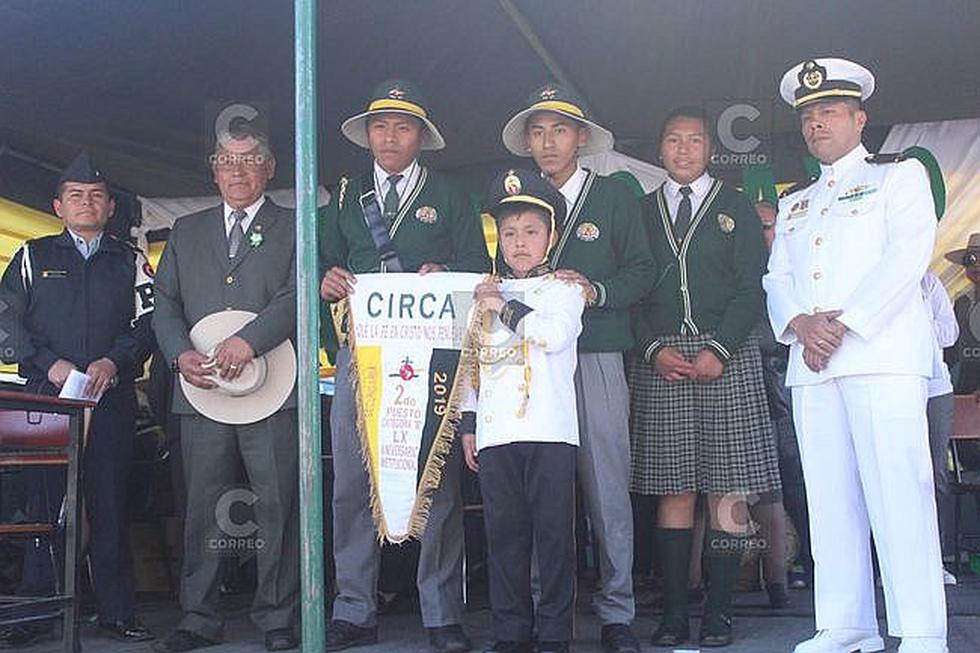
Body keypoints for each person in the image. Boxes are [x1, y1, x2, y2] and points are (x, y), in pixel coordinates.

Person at [764, 58, 947, 653]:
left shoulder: (900, 178)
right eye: (809, 116)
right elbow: (777, 275)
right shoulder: (795, 203)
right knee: (829, 497)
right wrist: (798, 321)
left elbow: (907, 257)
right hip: (813, 365)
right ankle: (847, 624)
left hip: (880, 354)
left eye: (830, 112)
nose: (817, 124)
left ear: (859, 118)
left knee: (899, 493)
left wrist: (844, 326)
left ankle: (920, 630)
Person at [318, 79, 489, 653]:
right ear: (367, 135)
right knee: (351, 481)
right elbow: (319, 260)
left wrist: (445, 270)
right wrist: (328, 278)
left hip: (430, 354)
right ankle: (354, 608)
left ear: (422, 137)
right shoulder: (344, 194)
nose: (390, 137)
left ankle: (442, 613)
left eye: (403, 126)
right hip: (361, 355)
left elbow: (477, 266)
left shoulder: (452, 191)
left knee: (434, 479)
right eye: (381, 126)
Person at [500, 83, 655, 653]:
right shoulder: (519, 197)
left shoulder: (613, 195)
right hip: (530, 365)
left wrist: (598, 289)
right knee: (540, 494)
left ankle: (617, 613)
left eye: (559, 131)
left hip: (595, 353)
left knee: (606, 485)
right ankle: (547, 613)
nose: (547, 142)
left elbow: (644, 270)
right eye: (538, 132)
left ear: (581, 138)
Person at [630, 107, 780, 648]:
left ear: (711, 148)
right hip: (663, 359)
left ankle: (720, 612)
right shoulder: (639, 210)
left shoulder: (735, 205)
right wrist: (652, 349)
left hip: (728, 356)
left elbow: (752, 285)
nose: (685, 149)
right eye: (674, 140)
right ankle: (673, 614)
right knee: (673, 489)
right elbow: (630, 286)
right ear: (660, 149)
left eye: (694, 140)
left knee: (727, 492)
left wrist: (720, 347)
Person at [0, 153, 155, 647]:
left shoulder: (128, 261)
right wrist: (50, 364)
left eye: (95, 196)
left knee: (108, 502)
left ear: (110, 207)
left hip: (109, 397)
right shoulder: (32, 257)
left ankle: (115, 610)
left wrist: (114, 362)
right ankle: (37, 609)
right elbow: (7, 322)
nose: (86, 203)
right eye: (75, 196)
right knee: (47, 505)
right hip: (46, 399)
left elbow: (148, 322)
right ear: (58, 206)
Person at [152, 133, 300, 652]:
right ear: (213, 171)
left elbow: (298, 293)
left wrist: (250, 339)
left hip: (273, 386)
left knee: (277, 502)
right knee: (201, 504)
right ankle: (198, 616)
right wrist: (177, 354)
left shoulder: (295, 225)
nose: (238, 172)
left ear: (270, 167)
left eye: (250, 162)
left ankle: (279, 618)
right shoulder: (186, 230)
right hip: (201, 389)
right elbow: (164, 302)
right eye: (227, 162)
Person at [460, 168, 585, 653]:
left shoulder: (565, 290)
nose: (519, 243)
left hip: (550, 431)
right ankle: (510, 631)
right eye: (509, 233)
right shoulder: (483, 291)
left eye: (531, 232)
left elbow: (552, 336)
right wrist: (469, 424)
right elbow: (471, 362)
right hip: (496, 433)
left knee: (554, 538)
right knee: (505, 537)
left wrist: (503, 308)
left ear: (551, 236)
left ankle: (554, 634)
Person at [754, 199, 812, 600]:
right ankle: (776, 573)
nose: (767, 235)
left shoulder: (802, 274)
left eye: (772, 226)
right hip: (753, 399)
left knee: (804, 486)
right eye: (758, 227)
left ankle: (813, 565)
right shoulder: (741, 275)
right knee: (757, 493)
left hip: (795, 395)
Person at [920, 271, 958, 585]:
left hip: (934, 389)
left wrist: (915, 323)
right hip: (891, 387)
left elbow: (950, 334)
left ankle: (937, 559)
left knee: (935, 474)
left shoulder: (929, 284)